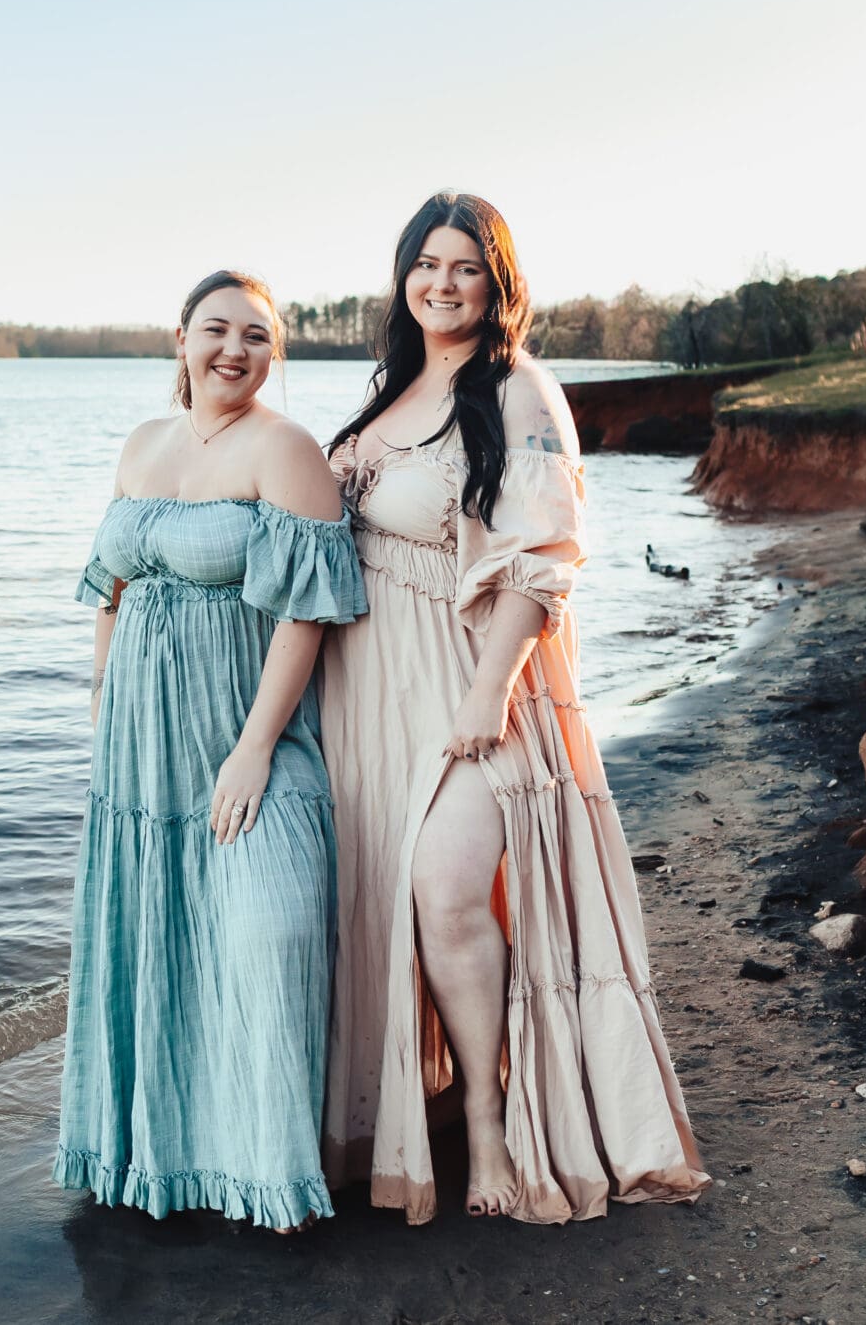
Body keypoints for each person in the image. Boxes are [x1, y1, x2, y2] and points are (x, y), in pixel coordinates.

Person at [319, 195, 707, 1224]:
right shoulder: (386, 394)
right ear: (401, 276)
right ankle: (406, 1109)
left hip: (465, 685)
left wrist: (488, 692)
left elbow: (544, 559)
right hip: (361, 693)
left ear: (498, 286)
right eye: (427, 265)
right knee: (376, 903)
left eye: (466, 269)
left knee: (449, 890)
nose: (443, 284)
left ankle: (492, 1129)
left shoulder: (516, 388)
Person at [53, 269, 365, 1232]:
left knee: (265, 931)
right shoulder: (142, 446)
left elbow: (304, 615)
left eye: (258, 335)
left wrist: (255, 748)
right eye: (217, 329)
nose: (235, 349)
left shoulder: (286, 449)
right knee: (154, 936)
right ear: (180, 338)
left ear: (278, 353)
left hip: (243, 730)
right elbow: (110, 586)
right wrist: (105, 693)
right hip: (139, 747)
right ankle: (160, 1160)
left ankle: (266, 1174)